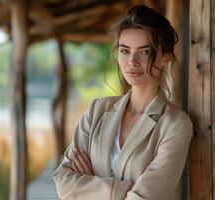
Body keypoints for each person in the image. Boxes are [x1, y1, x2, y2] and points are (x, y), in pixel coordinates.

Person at [53, 4, 193, 200]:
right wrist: (119, 191)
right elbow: (63, 182)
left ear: (165, 57)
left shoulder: (175, 125)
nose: (132, 62)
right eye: (125, 51)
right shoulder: (97, 110)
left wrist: (89, 183)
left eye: (144, 52)